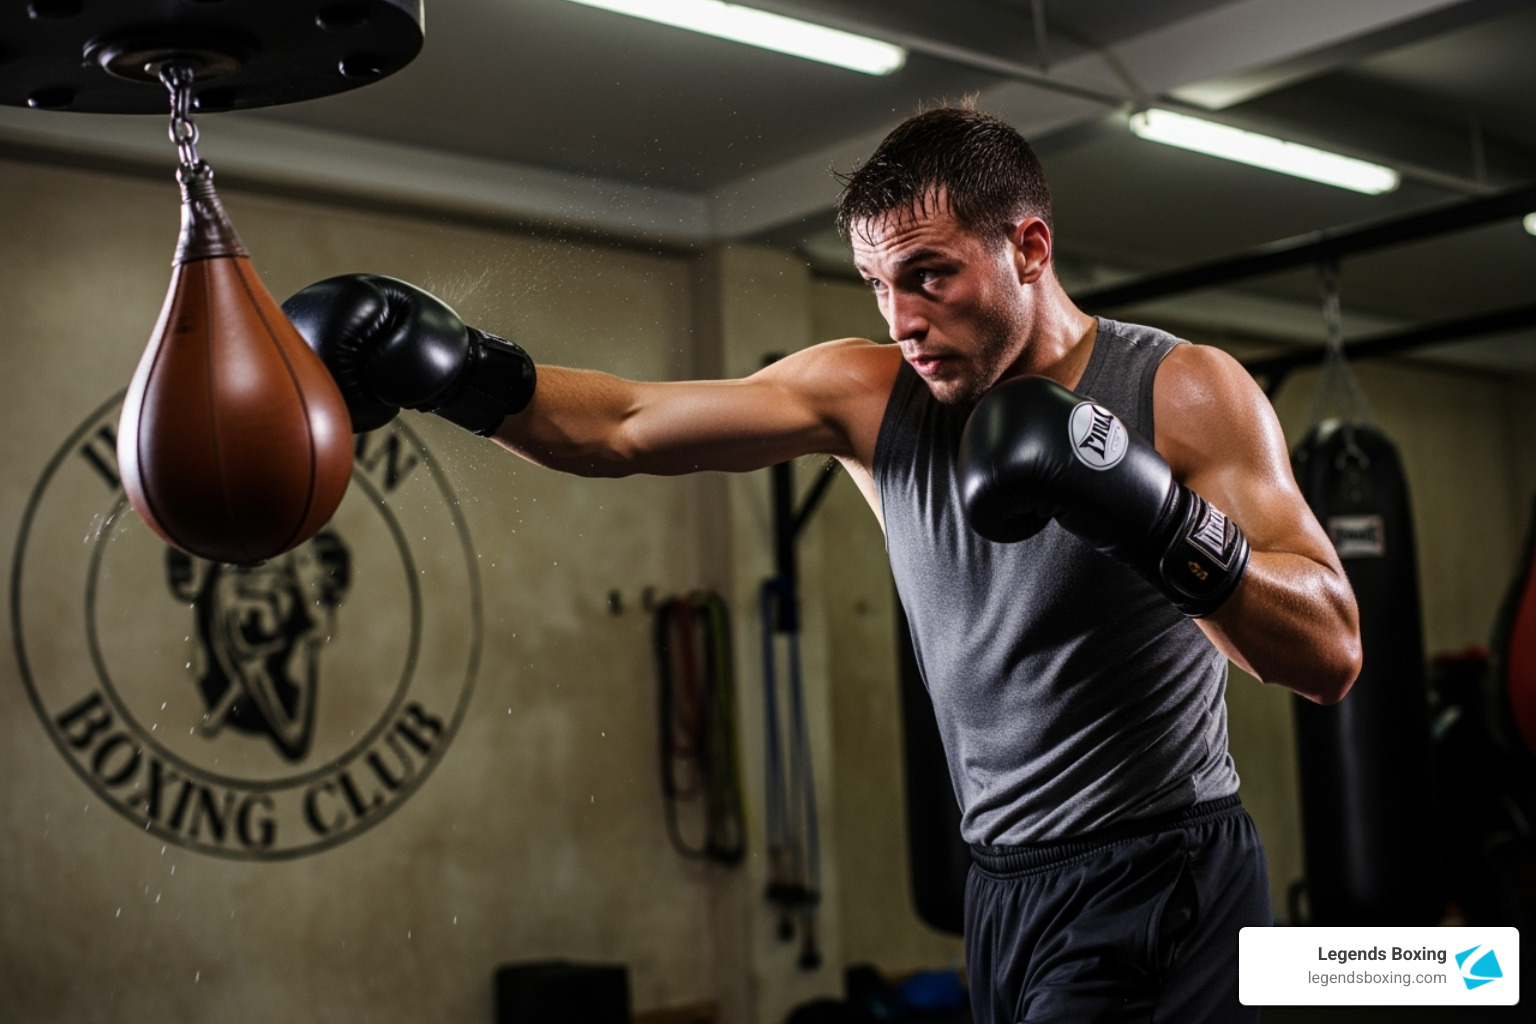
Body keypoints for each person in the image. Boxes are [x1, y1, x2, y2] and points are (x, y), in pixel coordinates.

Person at [282, 105, 1361, 1023]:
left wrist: (1153, 509)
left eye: (931, 277)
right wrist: (459, 370)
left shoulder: (1180, 392)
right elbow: (624, 425)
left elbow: (1331, 650)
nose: (903, 321)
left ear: (1028, 248)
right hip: (1004, 887)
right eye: (878, 285)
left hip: (1160, 872)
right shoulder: (871, 394)